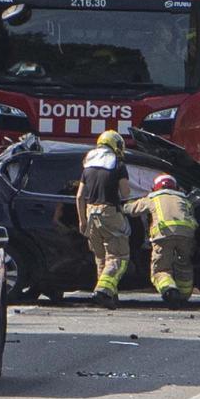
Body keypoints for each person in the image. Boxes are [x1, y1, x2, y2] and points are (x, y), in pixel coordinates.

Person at [124, 173, 198, 306]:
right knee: (184, 265)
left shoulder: (153, 198)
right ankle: (184, 296)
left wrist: (122, 204)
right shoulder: (184, 199)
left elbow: (131, 210)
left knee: (160, 270)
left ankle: (170, 291)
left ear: (155, 188)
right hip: (186, 235)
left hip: (163, 236)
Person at [76, 130, 131, 307]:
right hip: (109, 213)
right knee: (119, 256)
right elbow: (125, 193)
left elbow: (79, 197)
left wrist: (82, 221)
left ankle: (108, 297)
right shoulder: (118, 165)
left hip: (90, 214)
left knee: (101, 258)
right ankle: (103, 290)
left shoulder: (88, 166)